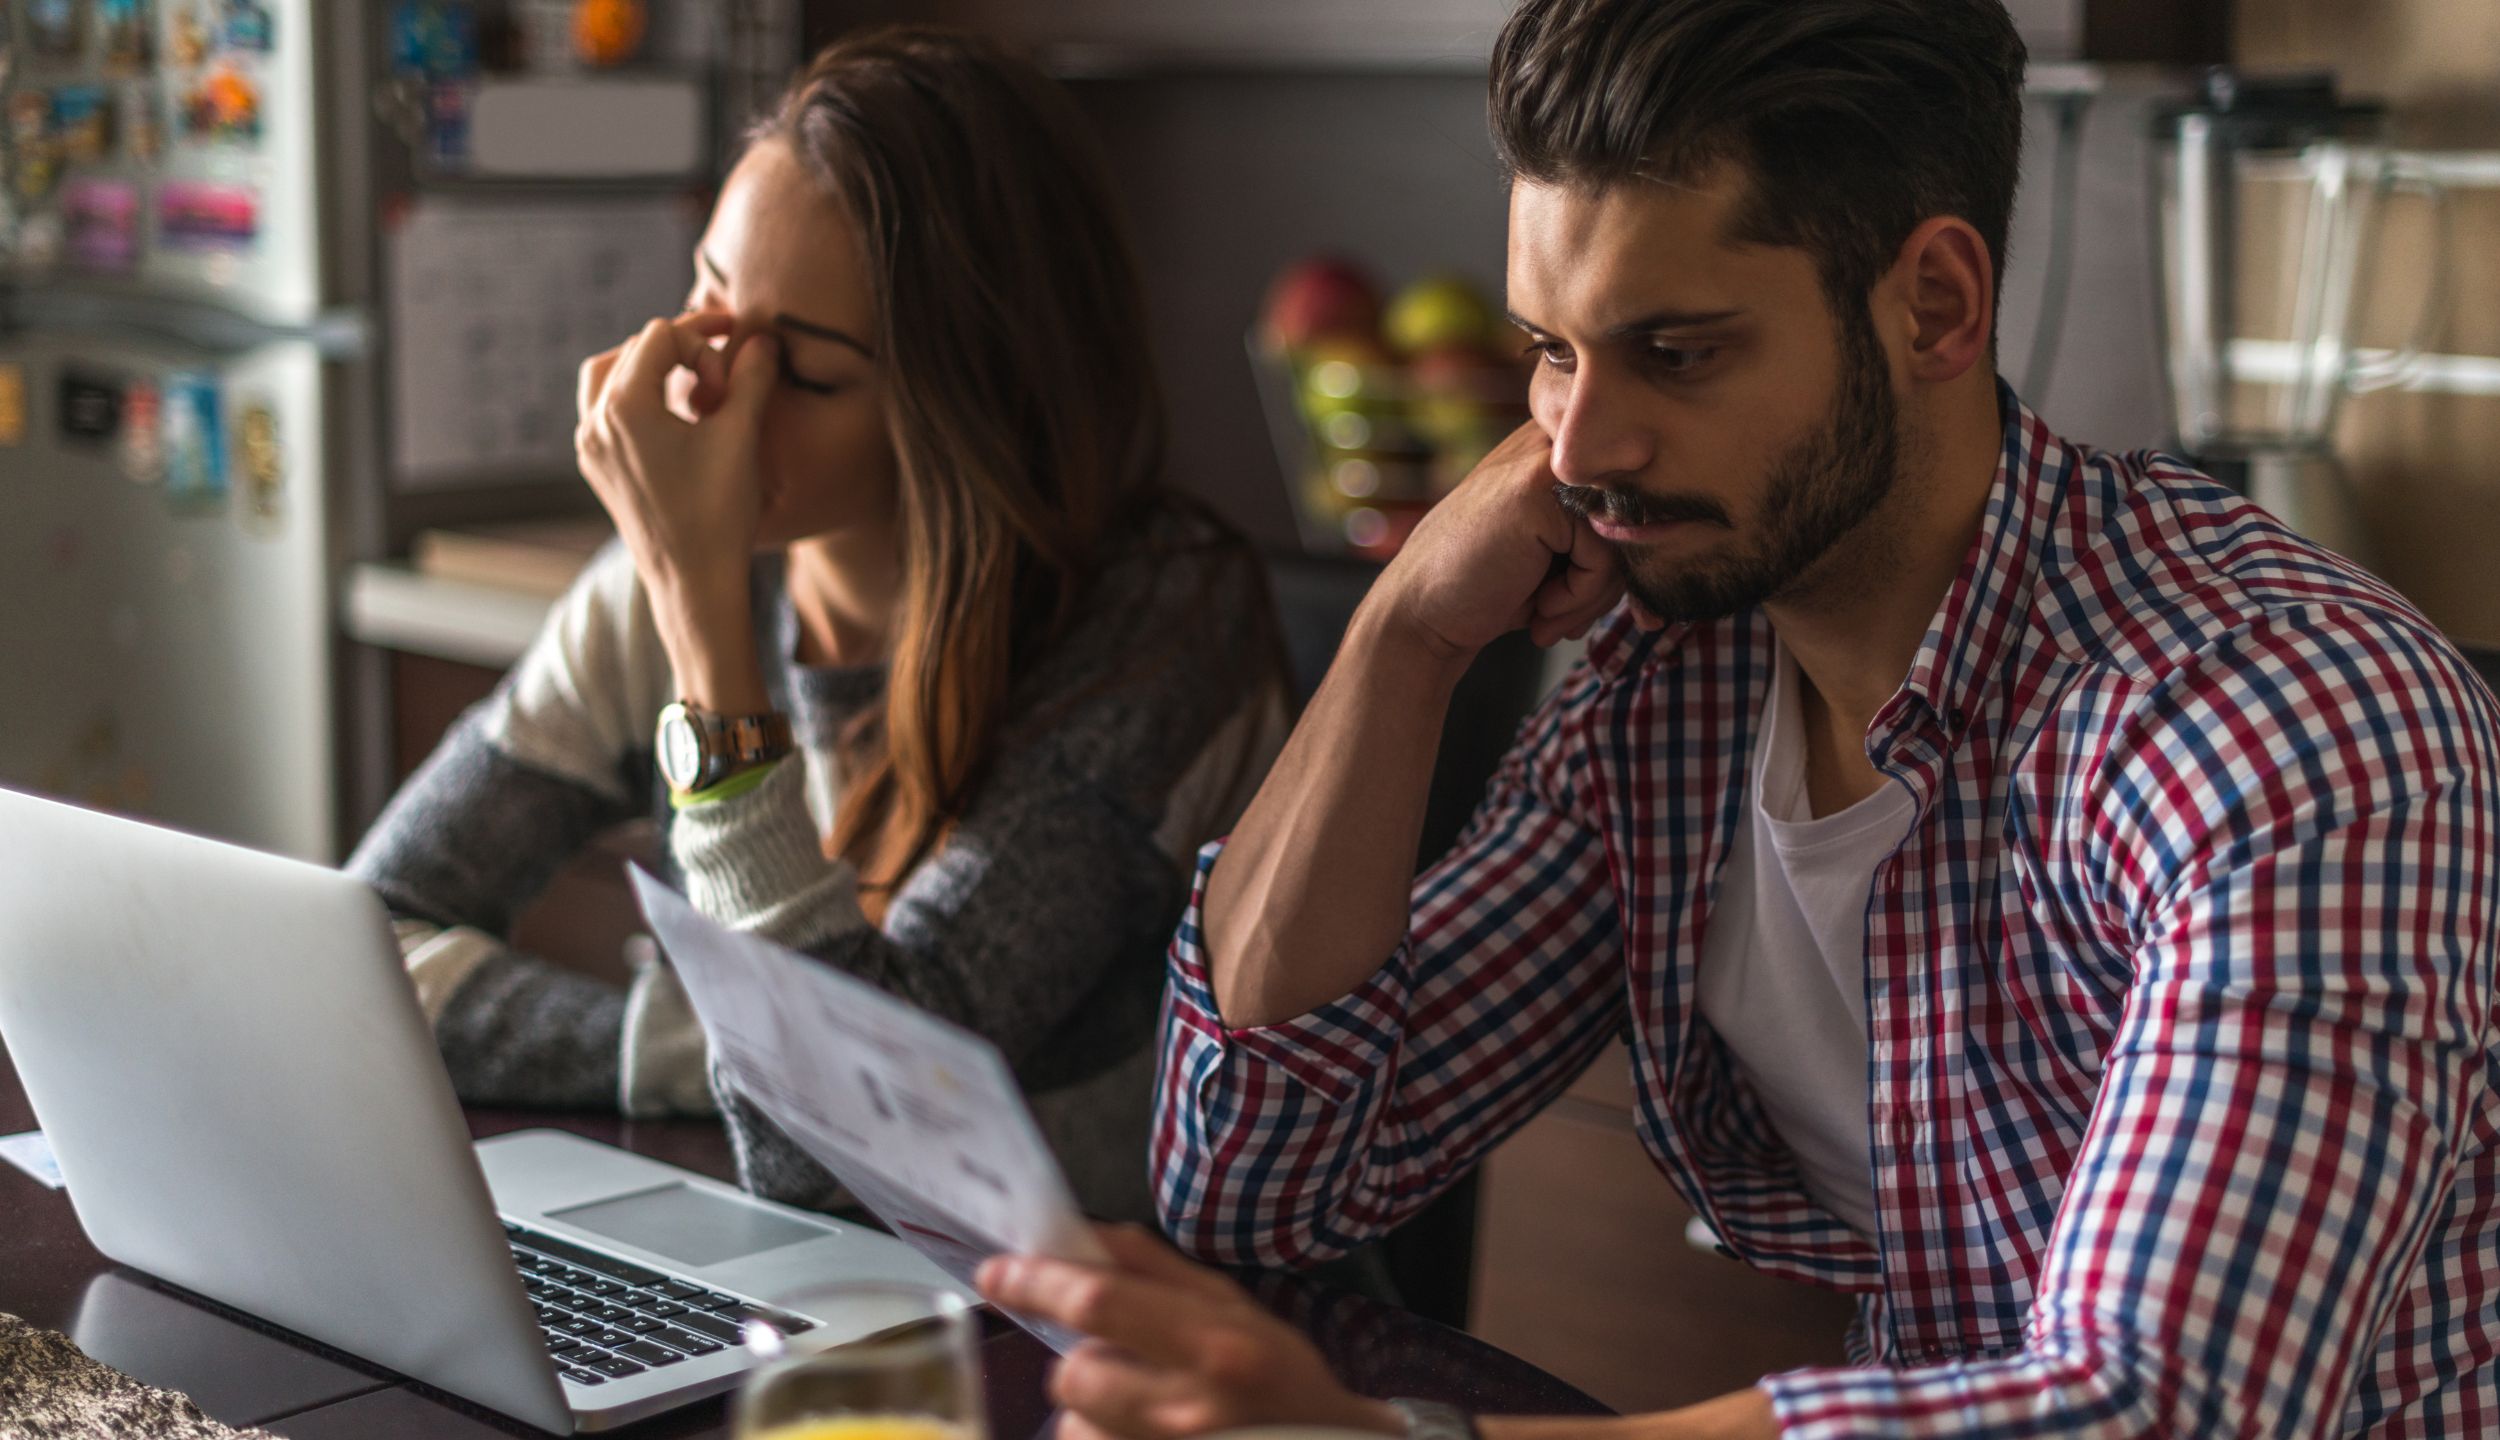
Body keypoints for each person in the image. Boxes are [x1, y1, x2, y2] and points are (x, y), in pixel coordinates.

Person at [973, 0, 2500, 1434]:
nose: (1580, 448)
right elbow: (1256, 1175)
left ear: (1936, 306)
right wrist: (1404, 636)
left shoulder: (2291, 724)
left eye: (1678, 353)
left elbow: (2153, 1407)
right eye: (1549, 353)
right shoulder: (1679, 686)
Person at [348, 27, 1289, 1224]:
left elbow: (842, 1149)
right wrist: (694, 1046)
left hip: (1078, 1340)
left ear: (970, 405)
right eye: (706, 300)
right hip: (815, 1282)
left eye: (805, 373)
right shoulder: (667, 577)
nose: (707, 391)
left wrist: (699, 617)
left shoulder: (1157, 631)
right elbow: (367, 953)